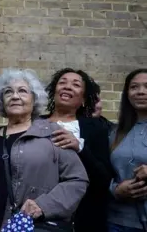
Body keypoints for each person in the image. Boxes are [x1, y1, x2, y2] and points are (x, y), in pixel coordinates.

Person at [0, 69, 89, 232]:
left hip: (33, 226)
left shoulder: (53, 134)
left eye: (22, 91)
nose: (15, 96)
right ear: (1, 101)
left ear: (34, 99)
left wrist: (44, 205)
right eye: (8, 92)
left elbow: (77, 179)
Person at [45, 68, 113, 232]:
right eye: (62, 83)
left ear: (83, 98)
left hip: (82, 217)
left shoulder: (96, 129)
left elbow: (104, 177)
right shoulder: (34, 123)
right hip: (39, 212)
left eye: (76, 85)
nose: (67, 87)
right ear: (54, 92)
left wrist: (80, 147)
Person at [108, 69, 147, 232]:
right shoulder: (114, 133)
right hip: (119, 221)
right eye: (134, 87)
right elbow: (103, 172)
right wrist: (116, 190)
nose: (140, 92)